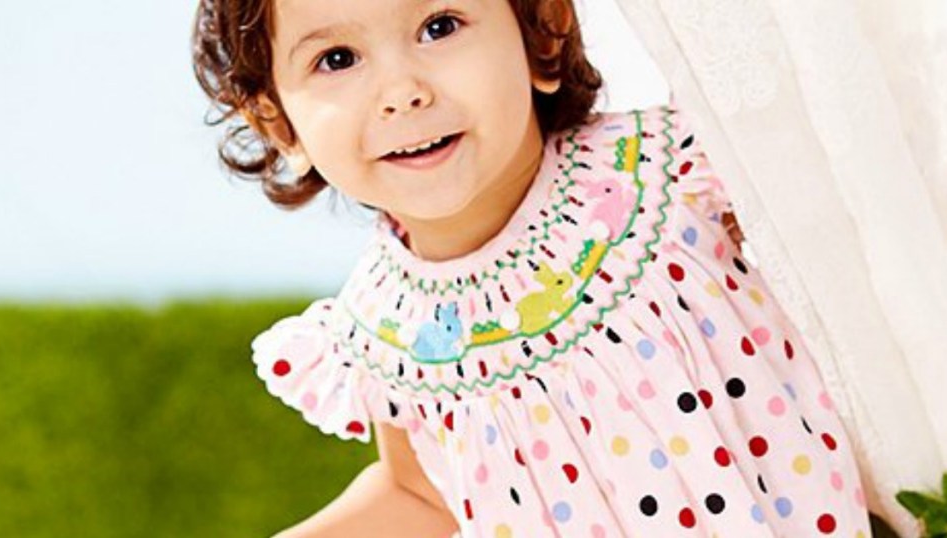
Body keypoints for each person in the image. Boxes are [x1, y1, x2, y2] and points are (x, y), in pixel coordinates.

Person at [191, 0, 874, 535]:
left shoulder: (669, 173)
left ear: (542, 33)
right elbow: (420, 492)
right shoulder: (387, 330)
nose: (401, 91)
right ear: (280, 125)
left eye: (439, 26)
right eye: (337, 59)